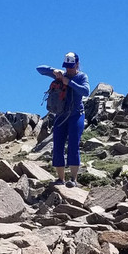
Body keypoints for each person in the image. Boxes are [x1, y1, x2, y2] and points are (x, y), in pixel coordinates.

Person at [36, 52, 90, 186]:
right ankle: (60, 179)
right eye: (67, 66)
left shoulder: (82, 76)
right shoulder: (61, 74)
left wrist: (69, 83)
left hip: (76, 114)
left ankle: (74, 180)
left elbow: (86, 91)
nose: (68, 69)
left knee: (73, 144)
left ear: (77, 64)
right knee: (58, 145)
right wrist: (53, 71)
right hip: (60, 116)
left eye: (71, 66)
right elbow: (39, 69)